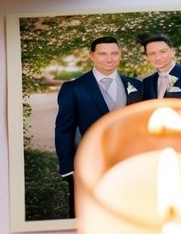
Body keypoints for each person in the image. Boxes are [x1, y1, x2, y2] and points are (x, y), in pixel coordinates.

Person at [54, 36, 142, 215]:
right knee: (87, 214)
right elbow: (64, 129)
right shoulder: (74, 88)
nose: (109, 58)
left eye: (114, 53)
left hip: (129, 163)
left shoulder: (136, 85)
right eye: (102, 54)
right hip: (88, 162)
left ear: (120, 55)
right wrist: (68, 168)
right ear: (91, 56)